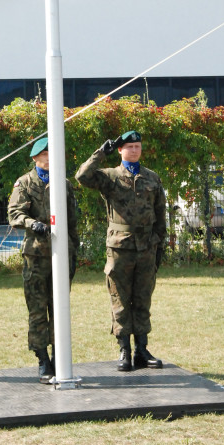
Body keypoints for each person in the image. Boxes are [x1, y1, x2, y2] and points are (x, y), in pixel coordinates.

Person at [75, 130, 166, 371]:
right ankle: (124, 349)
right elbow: (82, 176)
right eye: (130, 147)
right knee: (120, 299)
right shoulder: (111, 176)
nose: (134, 150)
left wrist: (159, 245)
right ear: (120, 150)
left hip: (146, 246)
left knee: (143, 298)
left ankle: (142, 350)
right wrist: (100, 154)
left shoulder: (152, 178)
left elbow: (160, 215)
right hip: (120, 248)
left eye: (138, 146)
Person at [8, 137, 79, 383]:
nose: (50, 158)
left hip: (61, 254)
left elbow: (72, 221)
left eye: (53, 153)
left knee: (59, 309)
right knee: (38, 309)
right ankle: (42, 359)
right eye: (45, 154)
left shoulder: (64, 183)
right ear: (35, 158)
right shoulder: (25, 183)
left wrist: (74, 251)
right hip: (36, 256)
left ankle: (60, 357)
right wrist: (32, 223)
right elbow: (14, 213)